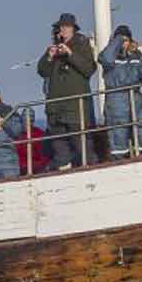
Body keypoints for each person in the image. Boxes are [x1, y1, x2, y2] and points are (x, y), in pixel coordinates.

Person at [35, 11, 99, 171]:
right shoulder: (53, 48)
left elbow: (89, 69)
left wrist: (70, 54)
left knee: (82, 144)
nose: (62, 30)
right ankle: (64, 172)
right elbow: (42, 71)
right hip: (56, 108)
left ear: (73, 29)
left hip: (75, 107)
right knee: (59, 146)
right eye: (60, 27)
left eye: (65, 27)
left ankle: (93, 171)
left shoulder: (82, 44)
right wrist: (49, 56)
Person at [99, 25, 142, 158]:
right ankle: (119, 161)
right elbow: (105, 59)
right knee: (118, 134)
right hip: (116, 99)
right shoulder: (109, 56)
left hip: (135, 97)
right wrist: (117, 41)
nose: (124, 43)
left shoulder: (136, 55)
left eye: (126, 40)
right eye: (121, 40)